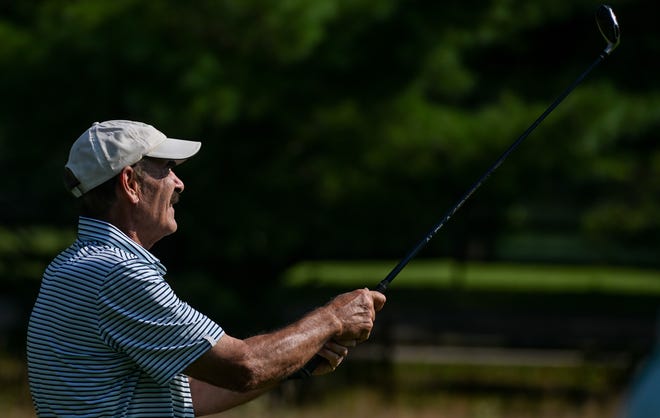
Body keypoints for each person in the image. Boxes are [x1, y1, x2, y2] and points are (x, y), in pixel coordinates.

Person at [26, 120, 386, 417]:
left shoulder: (69, 268)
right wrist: (333, 318)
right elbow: (243, 367)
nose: (178, 182)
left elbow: (191, 394)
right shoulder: (116, 275)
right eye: (166, 168)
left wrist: (297, 359)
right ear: (130, 184)